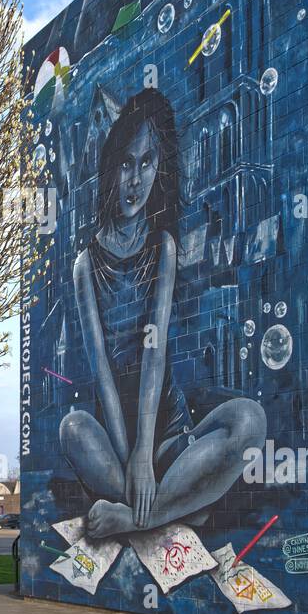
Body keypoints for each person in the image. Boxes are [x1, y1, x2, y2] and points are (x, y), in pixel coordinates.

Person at [59, 88, 266, 539]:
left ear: (159, 169)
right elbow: (104, 378)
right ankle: (179, 503)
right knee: (72, 427)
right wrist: (131, 456)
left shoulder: (162, 247)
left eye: (147, 162)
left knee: (250, 419)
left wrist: (149, 454)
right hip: (114, 442)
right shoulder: (85, 265)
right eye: (127, 163)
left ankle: (139, 516)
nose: (136, 179)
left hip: (169, 434)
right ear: (112, 169)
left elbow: (155, 352)